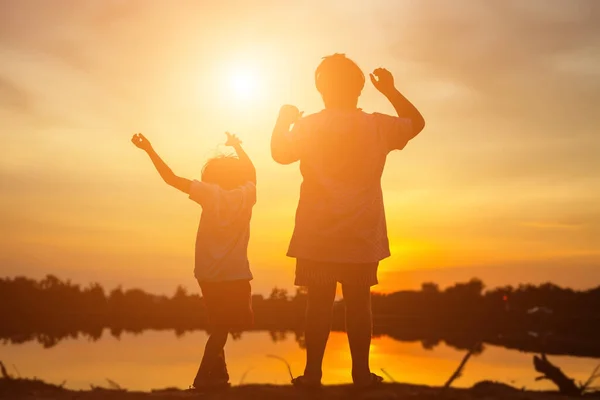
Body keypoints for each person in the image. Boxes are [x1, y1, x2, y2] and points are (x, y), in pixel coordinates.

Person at [270, 53, 425, 389]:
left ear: (320, 89)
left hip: (317, 234)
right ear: (359, 89)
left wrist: (283, 121)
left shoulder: (309, 126)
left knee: (318, 304)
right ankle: (360, 375)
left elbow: (280, 153)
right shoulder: (377, 124)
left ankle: (312, 374)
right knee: (359, 304)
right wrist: (391, 91)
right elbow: (416, 122)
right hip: (361, 234)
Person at [131, 132, 256, 390]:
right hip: (235, 273)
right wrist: (238, 147)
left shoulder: (209, 193)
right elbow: (252, 172)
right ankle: (203, 379)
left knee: (220, 325)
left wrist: (149, 150)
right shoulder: (247, 195)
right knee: (229, 325)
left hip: (208, 273)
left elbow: (171, 178)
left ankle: (219, 377)